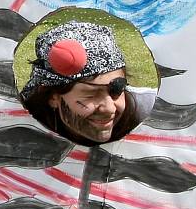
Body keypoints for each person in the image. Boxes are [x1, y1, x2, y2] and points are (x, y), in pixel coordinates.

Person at [19, 21, 155, 146]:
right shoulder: (19, 124)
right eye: (91, 94)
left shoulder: (149, 111)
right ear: (53, 97)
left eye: (117, 90)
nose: (109, 108)